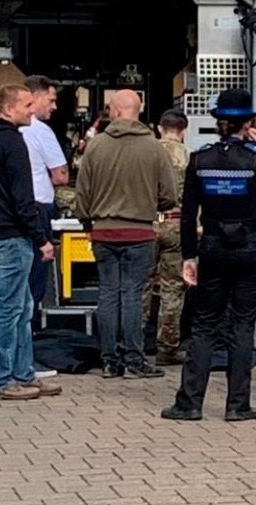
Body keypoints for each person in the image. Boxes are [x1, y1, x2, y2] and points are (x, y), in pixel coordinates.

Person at [161, 87, 256, 423]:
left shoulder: (201, 159)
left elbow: (187, 214)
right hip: (252, 248)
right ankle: (237, 404)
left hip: (211, 248)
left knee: (204, 325)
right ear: (249, 123)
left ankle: (190, 402)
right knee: (243, 324)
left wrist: (189, 257)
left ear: (218, 123)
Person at [0, 84, 62, 401]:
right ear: (8, 109)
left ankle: (24, 373)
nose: (31, 110)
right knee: (10, 310)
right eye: (26, 105)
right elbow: (23, 198)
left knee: (20, 308)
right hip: (12, 235)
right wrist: (42, 239)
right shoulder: (12, 142)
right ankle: (0, 379)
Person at [74, 89, 178, 379]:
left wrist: (87, 221)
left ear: (114, 111)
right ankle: (134, 359)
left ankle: (109, 361)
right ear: (139, 111)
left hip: (104, 233)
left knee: (107, 294)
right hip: (140, 231)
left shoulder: (96, 147)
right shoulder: (155, 148)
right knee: (132, 295)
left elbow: (82, 193)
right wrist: (148, 204)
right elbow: (170, 195)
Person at [20, 75, 69, 331]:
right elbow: (61, 176)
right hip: (38, 210)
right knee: (35, 282)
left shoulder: (7, 130)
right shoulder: (40, 130)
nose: (54, 107)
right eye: (51, 100)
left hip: (12, 210)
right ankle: (31, 344)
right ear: (35, 97)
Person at [142, 109, 190, 365]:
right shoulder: (188, 156)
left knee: (141, 284)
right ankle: (167, 346)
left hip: (147, 223)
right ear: (184, 130)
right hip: (176, 223)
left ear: (159, 128)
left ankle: (134, 343)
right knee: (173, 287)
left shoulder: (146, 152)